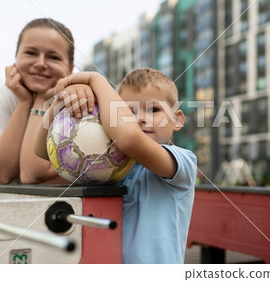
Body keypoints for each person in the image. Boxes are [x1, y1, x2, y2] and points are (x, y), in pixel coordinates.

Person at [35, 68, 197, 263]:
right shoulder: (110, 161)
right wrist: (62, 102)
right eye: (128, 111)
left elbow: (129, 139)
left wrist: (95, 79)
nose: (140, 118)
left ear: (177, 119)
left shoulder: (182, 161)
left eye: (154, 109)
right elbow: (42, 151)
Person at [0, 18, 94, 185]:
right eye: (31, 53)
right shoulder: (5, 93)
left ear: (70, 68)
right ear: (15, 58)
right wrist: (24, 102)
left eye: (53, 57)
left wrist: (43, 100)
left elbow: (34, 174)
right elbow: (1, 173)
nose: (40, 63)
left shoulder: (81, 97)